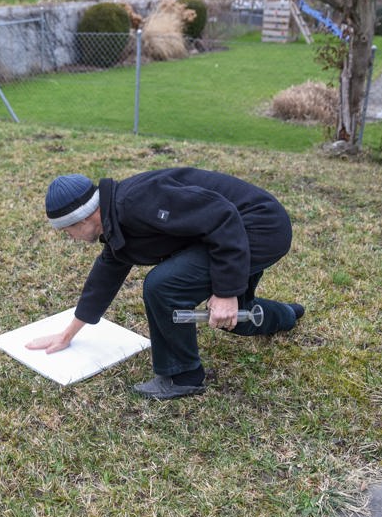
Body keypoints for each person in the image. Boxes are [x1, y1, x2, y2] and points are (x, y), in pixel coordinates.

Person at [26, 167, 304, 400]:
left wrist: (226, 291)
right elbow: (105, 277)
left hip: (258, 228)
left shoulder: (136, 202)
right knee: (235, 317)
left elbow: (222, 215)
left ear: (85, 217)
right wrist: (68, 333)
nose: (70, 238)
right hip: (234, 233)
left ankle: (182, 376)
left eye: (68, 231)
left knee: (163, 285)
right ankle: (288, 315)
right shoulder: (117, 218)